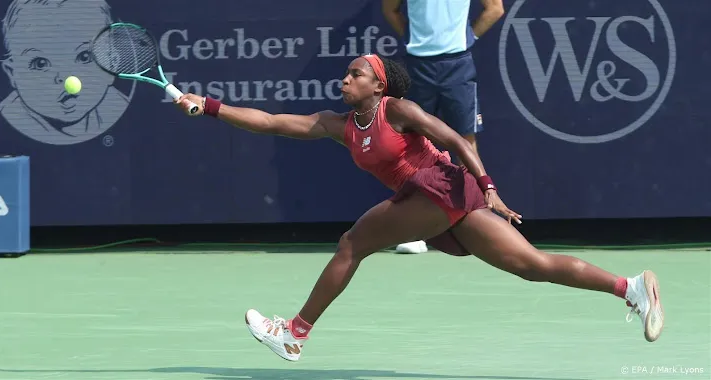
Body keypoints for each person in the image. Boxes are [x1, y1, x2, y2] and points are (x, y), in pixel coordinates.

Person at [173, 54, 664, 362]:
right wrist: (210, 106)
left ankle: (295, 333)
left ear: (378, 86)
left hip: (440, 188)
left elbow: (452, 137)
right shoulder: (338, 124)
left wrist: (487, 185)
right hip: (437, 201)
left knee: (353, 243)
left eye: (355, 74)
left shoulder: (398, 111)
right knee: (531, 266)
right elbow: (272, 120)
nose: (345, 79)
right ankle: (631, 288)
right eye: (346, 73)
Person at [382, 0, 505, 254]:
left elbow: (495, 8)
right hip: (418, 65)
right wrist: (413, 38)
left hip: (457, 65)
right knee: (411, 143)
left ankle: (479, 226)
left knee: (465, 140)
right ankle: (414, 231)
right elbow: (390, 9)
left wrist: (467, 37)